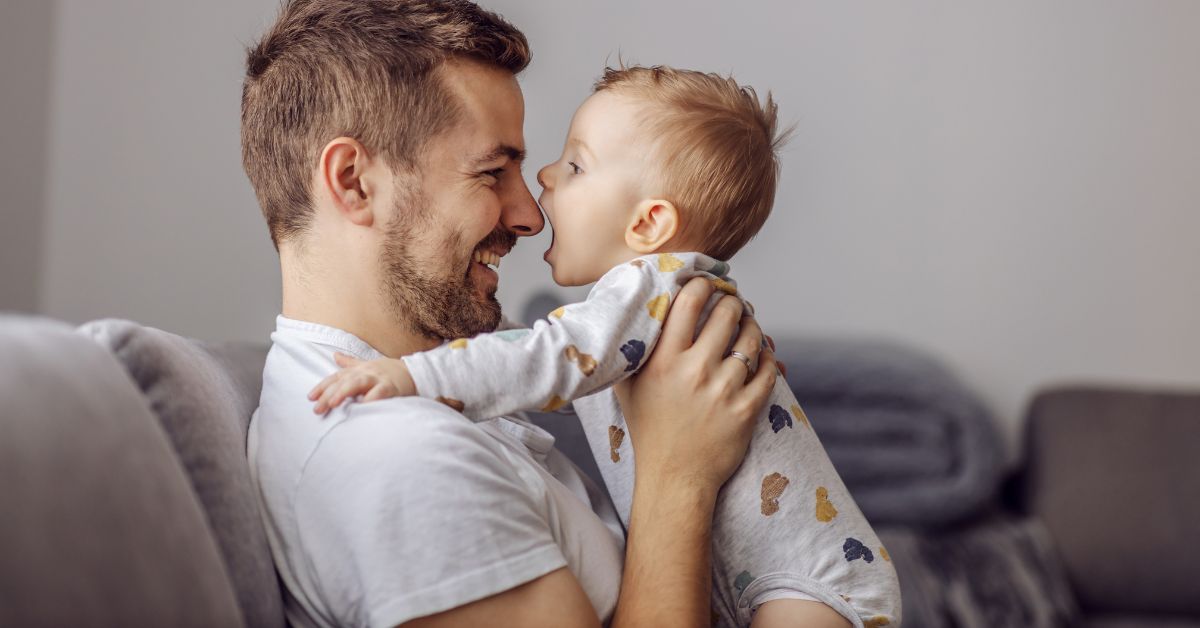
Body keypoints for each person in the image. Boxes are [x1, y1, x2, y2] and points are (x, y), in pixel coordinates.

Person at [241, 1, 813, 627]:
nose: (530, 216)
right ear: (354, 181)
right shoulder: (400, 464)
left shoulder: (421, 389)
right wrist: (681, 476)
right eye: (492, 172)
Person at [309, 65, 902, 628]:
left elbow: (540, 361)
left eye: (574, 166)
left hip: (815, 582)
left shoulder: (649, 286)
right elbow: (538, 363)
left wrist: (413, 376)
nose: (543, 179)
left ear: (647, 226)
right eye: (493, 170)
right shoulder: (647, 307)